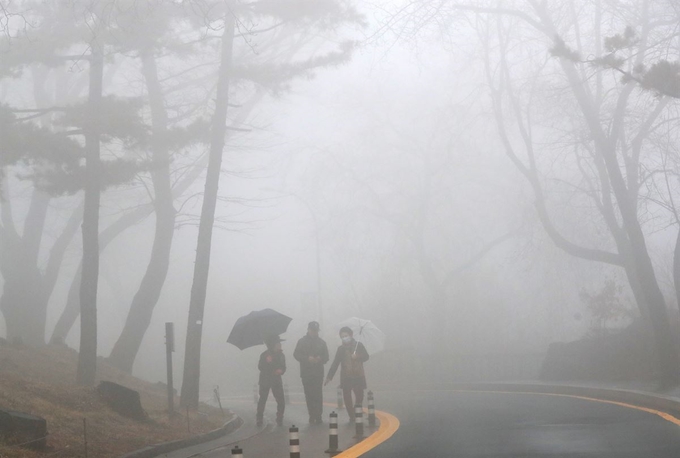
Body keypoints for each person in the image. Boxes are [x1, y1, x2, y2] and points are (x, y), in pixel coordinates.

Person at [325, 326, 369, 422]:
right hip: (346, 376)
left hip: (358, 374)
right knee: (347, 397)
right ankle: (352, 416)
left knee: (359, 395)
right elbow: (335, 363)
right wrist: (329, 376)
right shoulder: (340, 349)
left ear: (351, 335)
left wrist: (357, 356)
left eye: (346, 335)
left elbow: (366, 357)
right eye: (342, 336)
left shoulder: (359, 345)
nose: (345, 338)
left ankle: (357, 409)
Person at [293, 321, 329, 424]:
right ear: (308, 330)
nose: (314, 332)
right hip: (306, 373)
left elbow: (326, 357)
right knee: (309, 394)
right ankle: (312, 415)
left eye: (316, 331)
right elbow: (296, 354)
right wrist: (307, 358)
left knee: (318, 394)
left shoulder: (322, 342)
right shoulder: (302, 341)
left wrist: (320, 358)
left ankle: (318, 415)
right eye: (313, 330)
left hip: (318, 372)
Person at [256, 334, 286, 427]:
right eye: (278, 343)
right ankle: (259, 418)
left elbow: (283, 367)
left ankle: (280, 418)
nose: (280, 345)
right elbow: (260, 367)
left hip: (276, 380)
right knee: (262, 400)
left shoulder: (281, 355)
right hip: (265, 380)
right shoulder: (264, 355)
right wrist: (267, 362)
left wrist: (281, 371)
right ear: (273, 344)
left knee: (281, 400)